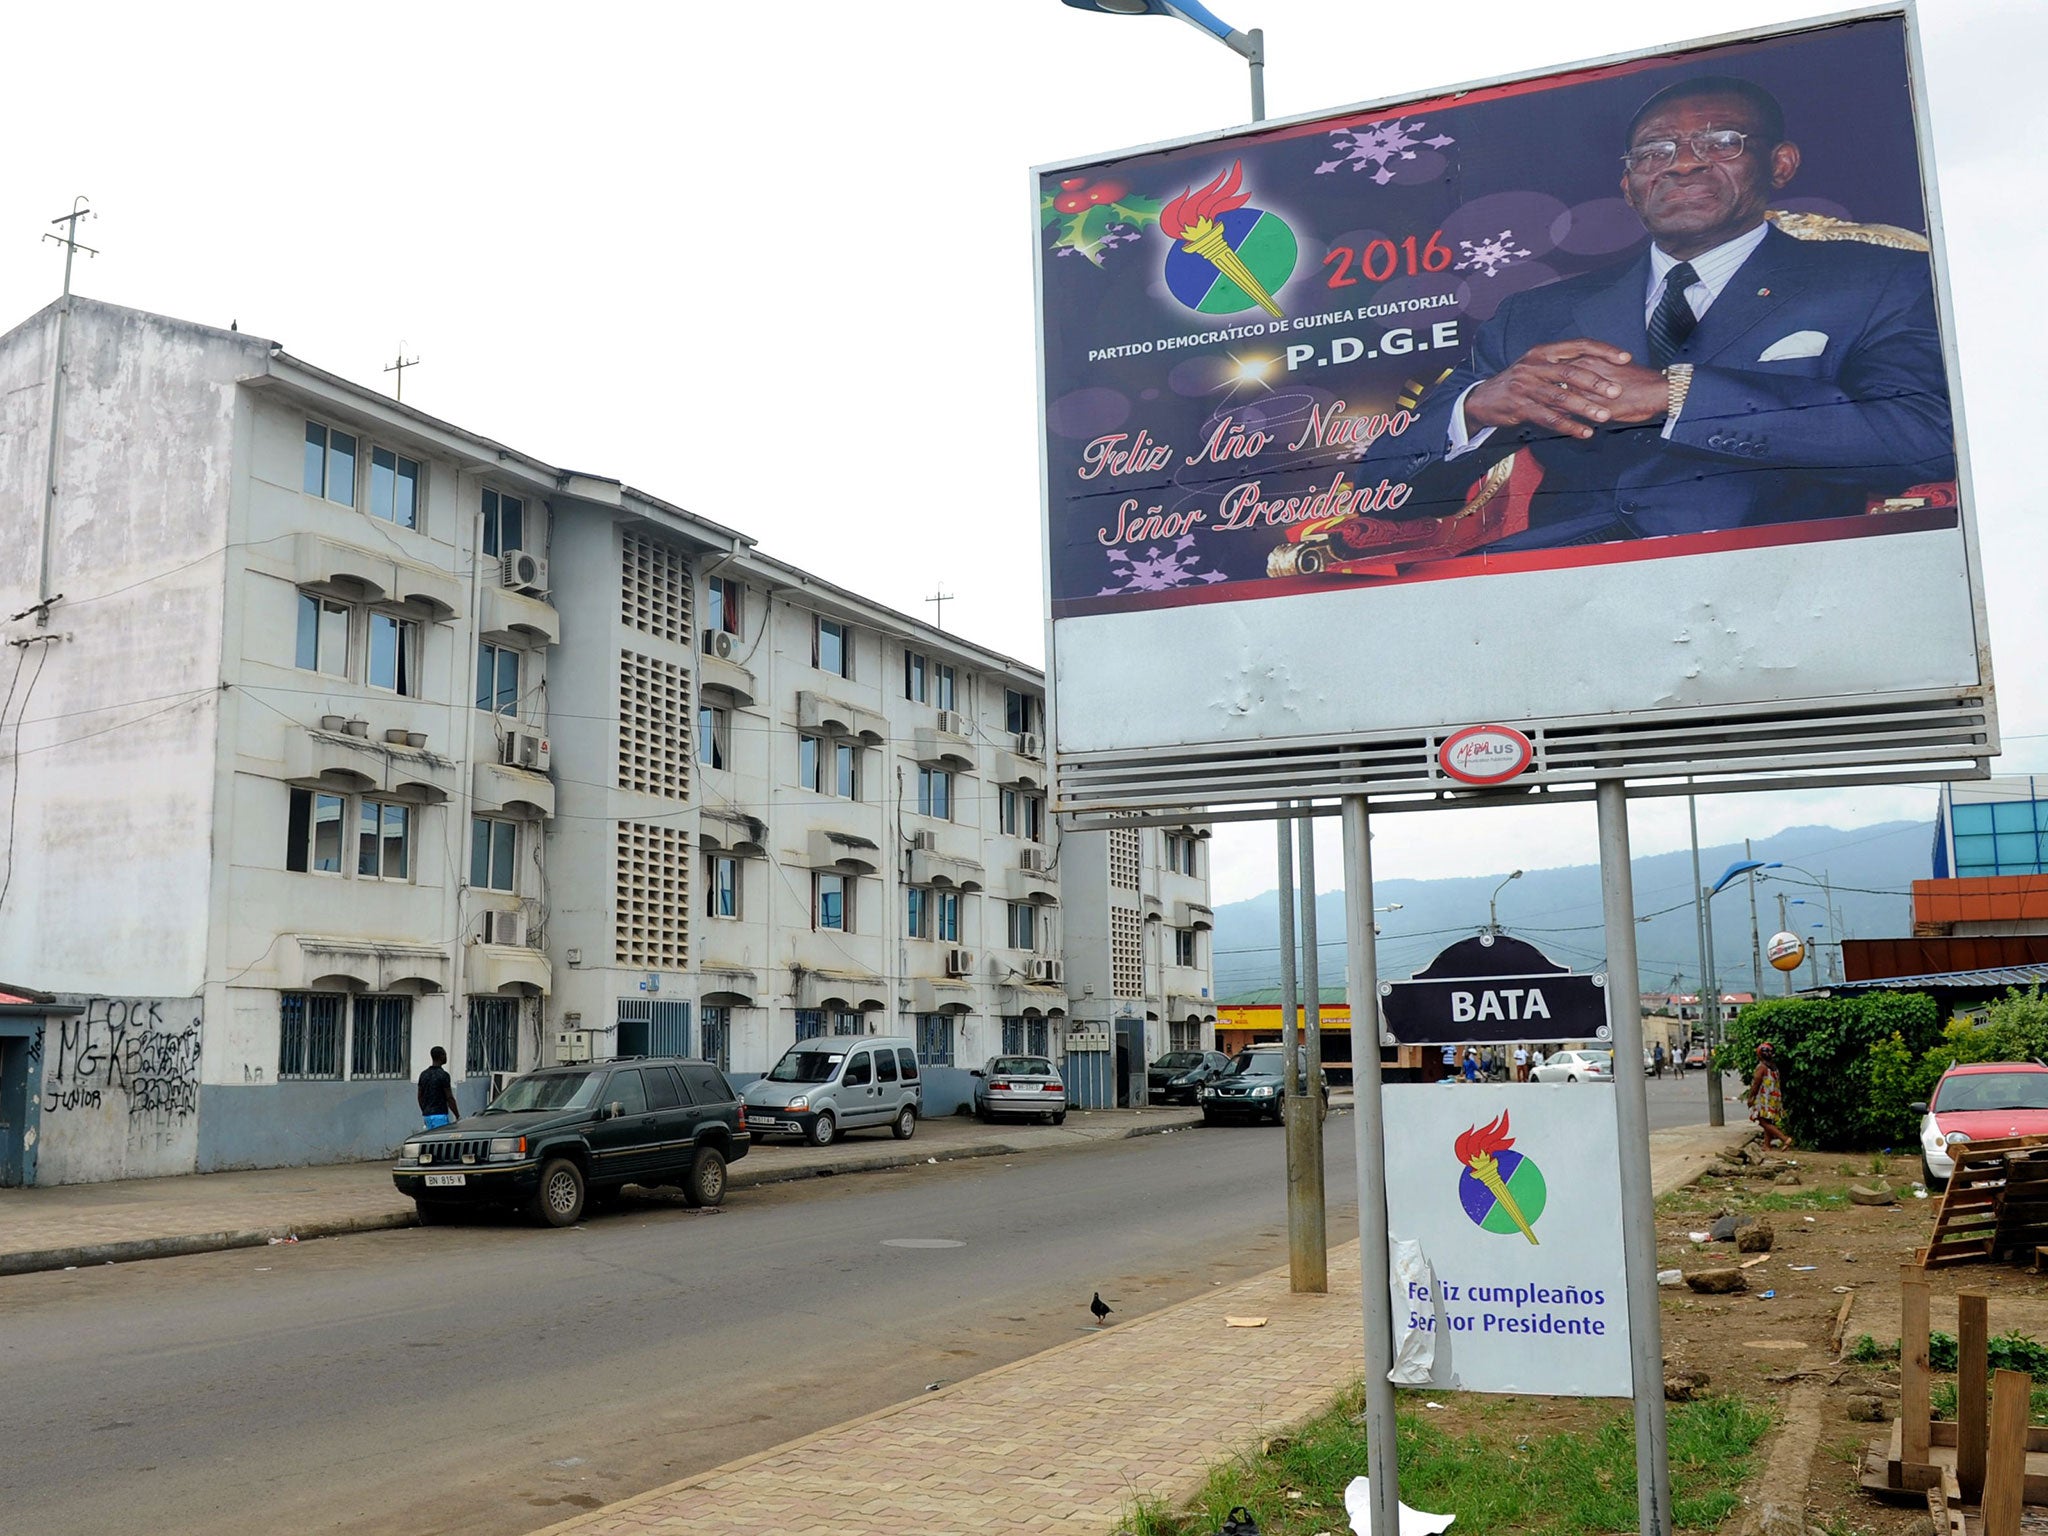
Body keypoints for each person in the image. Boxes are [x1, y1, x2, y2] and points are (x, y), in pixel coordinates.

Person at [1372, 75, 1954, 550]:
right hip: (1549, 589)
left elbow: (1925, 437)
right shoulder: (1536, 314)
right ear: (1629, 186)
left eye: (1720, 142)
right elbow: (1378, 486)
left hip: (1785, 571)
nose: (1682, 165)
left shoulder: (1878, 282)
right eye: (1655, 153)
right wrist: (1473, 411)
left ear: (1780, 164)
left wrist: (1678, 397)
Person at [1742, 1041, 1790, 1151]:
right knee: (1768, 1121)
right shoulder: (1774, 1067)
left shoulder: (1761, 1067)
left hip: (1764, 1098)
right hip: (1773, 1097)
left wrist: (1751, 1097)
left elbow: (1756, 1084)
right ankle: (1767, 1146)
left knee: (1762, 1121)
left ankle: (1784, 1138)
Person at [417, 1045, 461, 1129]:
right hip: (440, 1115)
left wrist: (425, 1111)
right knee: (440, 1139)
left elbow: (420, 1097)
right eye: (445, 1054)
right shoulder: (444, 1075)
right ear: (441, 1056)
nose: (446, 1057)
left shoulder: (423, 1075)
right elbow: (449, 1098)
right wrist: (457, 1115)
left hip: (427, 1116)